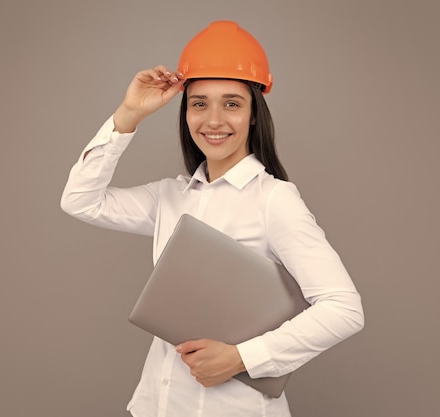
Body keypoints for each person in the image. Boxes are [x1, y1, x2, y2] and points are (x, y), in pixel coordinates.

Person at [61, 20, 364, 417]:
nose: (213, 120)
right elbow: (80, 200)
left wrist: (242, 357)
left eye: (232, 104)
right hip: (154, 406)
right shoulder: (170, 196)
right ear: (185, 113)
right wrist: (128, 114)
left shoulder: (273, 199)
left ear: (255, 114)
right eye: (199, 103)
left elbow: (344, 308)